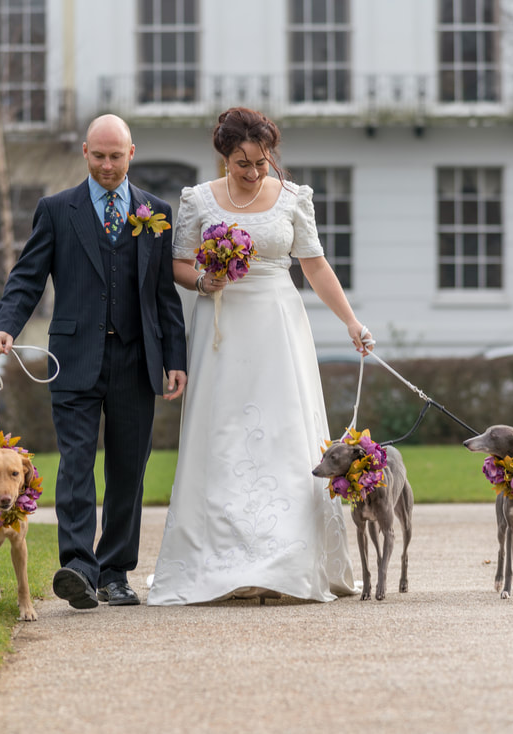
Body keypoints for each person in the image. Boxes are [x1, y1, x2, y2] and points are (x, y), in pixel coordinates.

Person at [146, 107, 369, 605]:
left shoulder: (293, 199)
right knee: (222, 438)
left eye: (261, 164)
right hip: (221, 328)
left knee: (285, 438)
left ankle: (285, 563)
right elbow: (178, 264)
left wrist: (351, 322)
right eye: (241, 163)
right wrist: (204, 280)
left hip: (278, 327)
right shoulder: (198, 200)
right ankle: (225, 563)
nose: (251, 173)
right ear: (224, 156)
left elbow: (314, 266)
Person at [0, 114, 187, 610]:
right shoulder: (56, 211)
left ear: (131, 154)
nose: (107, 165)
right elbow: (28, 276)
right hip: (72, 358)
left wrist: (175, 358)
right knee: (75, 464)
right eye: (98, 156)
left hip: (138, 359)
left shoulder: (155, 212)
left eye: (116, 156)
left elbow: (164, 296)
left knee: (127, 470)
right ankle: (77, 566)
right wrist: (6, 324)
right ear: (84, 153)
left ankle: (115, 571)